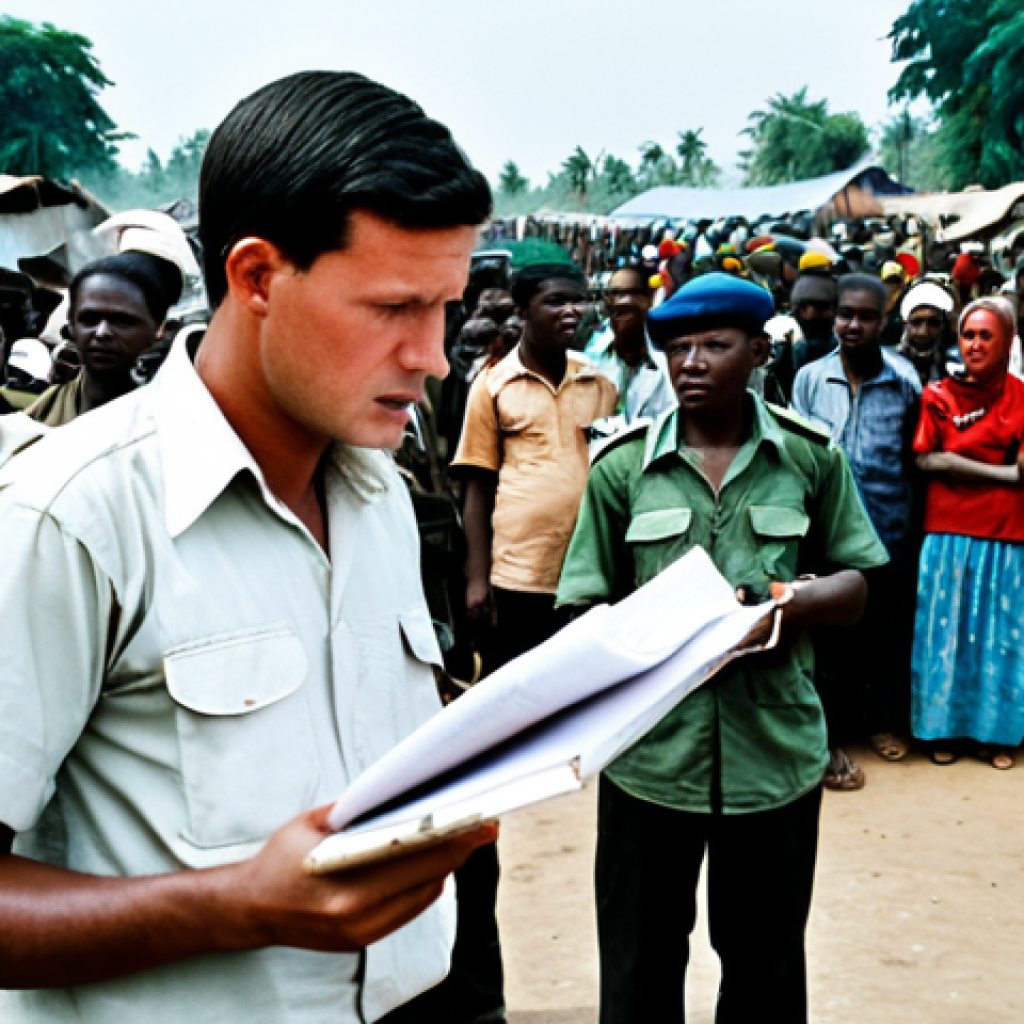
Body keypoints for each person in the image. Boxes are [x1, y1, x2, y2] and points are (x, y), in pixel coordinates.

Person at [0, 70, 497, 1023]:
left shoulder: (379, 496)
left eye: (445, 307)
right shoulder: (70, 518)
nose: (434, 356)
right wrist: (235, 907)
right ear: (256, 276)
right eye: (394, 308)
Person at [557, 273, 887, 1024]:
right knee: (639, 967)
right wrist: (646, 634)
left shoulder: (809, 458)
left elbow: (861, 581)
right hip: (650, 762)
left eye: (715, 344)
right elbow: (581, 602)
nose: (692, 362)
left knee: (766, 967)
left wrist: (787, 605)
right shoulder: (622, 469)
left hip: (773, 755)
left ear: (759, 351)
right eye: (678, 348)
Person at [438, 263, 615, 1024]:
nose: (572, 311)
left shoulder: (596, 381)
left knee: (580, 678)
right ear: (523, 312)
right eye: (556, 301)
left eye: (579, 300)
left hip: (582, 565)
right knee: (512, 688)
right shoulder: (493, 387)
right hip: (514, 564)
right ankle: (518, 775)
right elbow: (477, 483)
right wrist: (475, 576)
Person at [792, 274, 922, 776]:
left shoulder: (905, 380)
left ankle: (883, 722)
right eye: (845, 314)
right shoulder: (809, 378)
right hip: (826, 534)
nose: (852, 325)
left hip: (888, 529)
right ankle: (830, 734)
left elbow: (914, 460)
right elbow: (799, 457)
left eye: (866, 316)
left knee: (886, 634)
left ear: (884, 321)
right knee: (831, 639)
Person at [912, 297, 1024, 770]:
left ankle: (995, 736)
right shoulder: (937, 394)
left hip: (1006, 534)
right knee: (946, 632)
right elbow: (924, 459)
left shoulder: (1022, 396)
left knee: (1000, 636)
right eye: (967, 335)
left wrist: (954, 465)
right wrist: (998, 471)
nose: (974, 345)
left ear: (1008, 342)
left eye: (986, 335)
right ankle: (945, 729)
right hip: (946, 534)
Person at [25, 251, 182, 426]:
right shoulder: (45, 412)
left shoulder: (177, 414)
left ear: (160, 328)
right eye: (89, 319)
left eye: (122, 321)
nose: (101, 332)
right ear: (71, 324)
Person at [584, 263, 676, 433]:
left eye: (621, 293)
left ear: (647, 298)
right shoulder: (592, 357)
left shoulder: (667, 364)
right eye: (609, 294)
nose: (613, 301)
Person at [897, 280, 956, 386]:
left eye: (933, 323)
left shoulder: (955, 366)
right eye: (916, 322)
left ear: (943, 326)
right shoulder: (889, 367)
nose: (923, 332)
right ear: (905, 324)